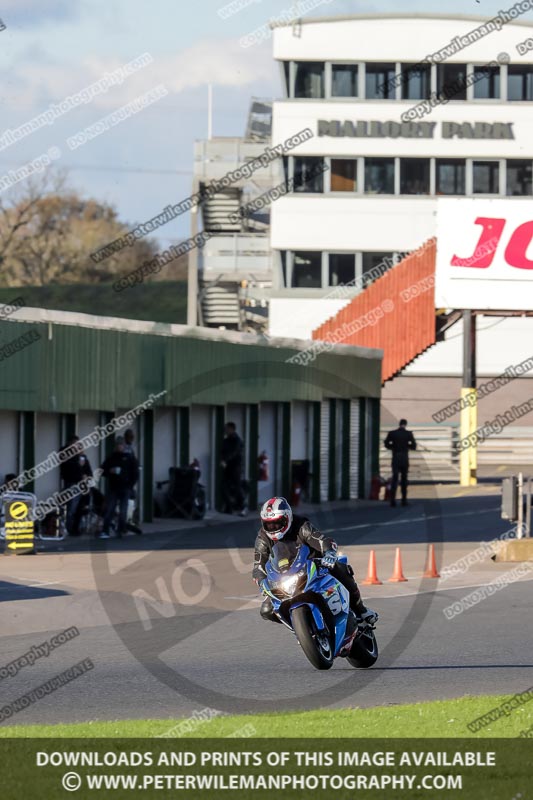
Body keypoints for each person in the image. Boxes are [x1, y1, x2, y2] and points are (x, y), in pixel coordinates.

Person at [252, 496, 378, 625]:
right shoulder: (263, 537)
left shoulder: (301, 526)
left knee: (340, 567)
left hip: (313, 566)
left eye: (277, 522)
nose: (273, 527)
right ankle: (299, 627)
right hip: (284, 577)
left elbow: (321, 540)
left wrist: (329, 552)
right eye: (268, 524)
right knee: (266, 610)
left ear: (287, 518)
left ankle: (361, 610)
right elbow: (258, 566)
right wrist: (262, 582)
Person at [100, 436, 140, 539]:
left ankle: (121, 530)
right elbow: (102, 470)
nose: (119, 447)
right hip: (113, 487)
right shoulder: (111, 457)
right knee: (109, 510)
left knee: (123, 511)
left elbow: (135, 473)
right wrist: (109, 471)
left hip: (125, 487)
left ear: (124, 445)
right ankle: (105, 531)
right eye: (117, 445)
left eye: (121, 445)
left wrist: (130, 485)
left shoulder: (130, 457)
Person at [59, 435, 93, 535]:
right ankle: (69, 528)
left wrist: (86, 476)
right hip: (72, 482)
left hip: (81, 484)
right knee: (71, 507)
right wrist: (79, 465)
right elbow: (68, 468)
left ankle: (75, 528)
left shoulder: (82, 457)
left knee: (79, 507)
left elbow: (88, 470)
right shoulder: (65, 454)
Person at [384, 419, 416, 507]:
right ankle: (404, 500)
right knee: (404, 480)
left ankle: (392, 501)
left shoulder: (392, 433)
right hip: (404, 458)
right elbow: (414, 446)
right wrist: (407, 446)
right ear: (405, 424)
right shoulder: (408, 434)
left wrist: (392, 447)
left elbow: (386, 444)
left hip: (395, 457)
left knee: (395, 479)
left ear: (399, 424)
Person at [220, 422, 246, 515]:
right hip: (227, 467)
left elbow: (235, 453)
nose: (225, 431)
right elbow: (223, 451)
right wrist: (223, 459)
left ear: (232, 429)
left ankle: (242, 506)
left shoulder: (237, 440)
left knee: (237, 487)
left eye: (227, 429)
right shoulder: (226, 440)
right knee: (224, 487)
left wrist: (226, 460)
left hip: (236, 467)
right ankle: (228, 507)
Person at [122, 428, 142, 535]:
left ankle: (129, 520)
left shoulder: (130, 448)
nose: (132, 439)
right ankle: (124, 523)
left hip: (130, 480)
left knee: (131, 500)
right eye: (130, 437)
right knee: (126, 502)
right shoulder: (124, 448)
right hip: (124, 480)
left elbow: (134, 461)